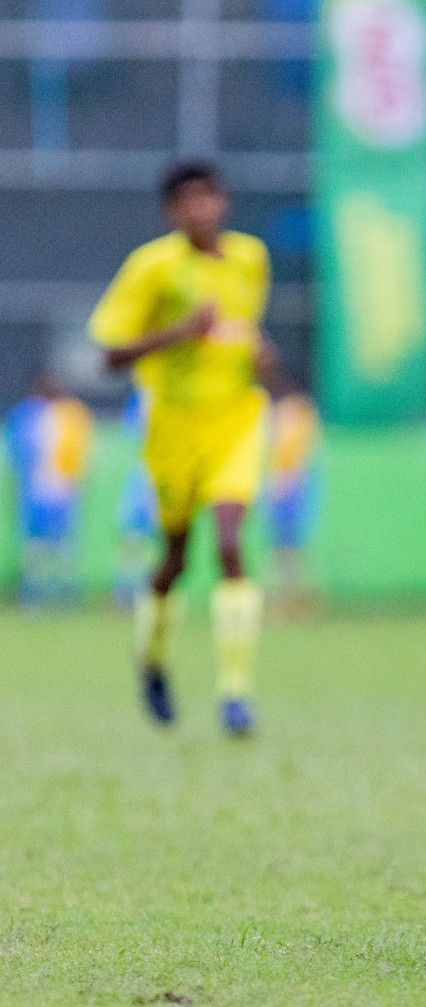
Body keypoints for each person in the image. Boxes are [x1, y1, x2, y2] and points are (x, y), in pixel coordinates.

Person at [90, 160, 275, 736]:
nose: (202, 210)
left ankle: (235, 694)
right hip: (172, 425)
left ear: (223, 202)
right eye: (188, 202)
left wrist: (255, 350)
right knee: (174, 558)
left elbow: (241, 328)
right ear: (172, 212)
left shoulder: (250, 258)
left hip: (235, 418)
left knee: (228, 541)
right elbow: (110, 356)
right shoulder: (153, 268)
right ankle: (151, 657)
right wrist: (180, 332)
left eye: (210, 198)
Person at [3, 371, 93, 606]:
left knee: (61, 545)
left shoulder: (70, 414)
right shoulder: (27, 414)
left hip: (62, 490)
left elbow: (80, 453)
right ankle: (33, 595)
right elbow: (17, 455)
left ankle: (63, 595)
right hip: (36, 491)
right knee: (36, 546)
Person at [265, 378, 322, 618]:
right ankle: (288, 602)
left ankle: (294, 601)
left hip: (291, 489)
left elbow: (297, 456)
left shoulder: (298, 414)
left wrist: (285, 484)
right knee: (283, 550)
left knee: (290, 550)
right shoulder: (284, 414)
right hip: (283, 488)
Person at [112, 388, 159, 611]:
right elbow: (131, 429)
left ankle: (151, 597)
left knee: (158, 543)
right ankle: (125, 596)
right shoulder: (141, 397)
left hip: (164, 477)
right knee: (131, 540)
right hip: (145, 477)